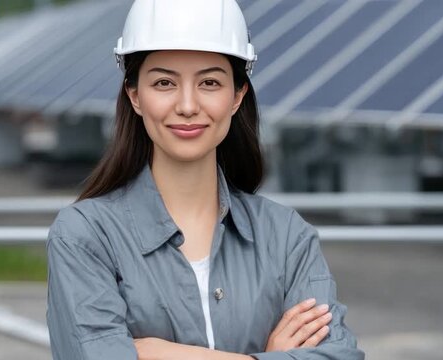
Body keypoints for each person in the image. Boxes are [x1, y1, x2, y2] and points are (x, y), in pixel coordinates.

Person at [45, 0, 365, 359]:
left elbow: (340, 355)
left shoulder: (286, 236)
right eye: (164, 82)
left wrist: (155, 353)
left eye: (210, 82)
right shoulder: (86, 236)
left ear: (237, 96)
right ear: (135, 96)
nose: (186, 104)